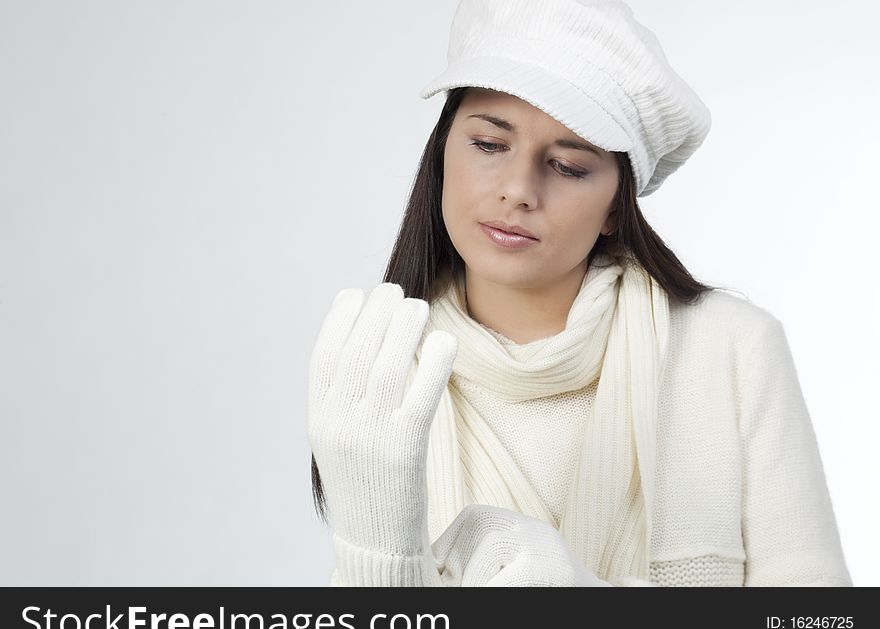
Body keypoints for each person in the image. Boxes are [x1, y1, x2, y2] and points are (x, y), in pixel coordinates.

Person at [306, 0, 852, 587]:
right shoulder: (380, 371)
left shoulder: (730, 349)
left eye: (567, 166)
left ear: (617, 206)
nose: (518, 190)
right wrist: (376, 558)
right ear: (441, 156)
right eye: (489, 145)